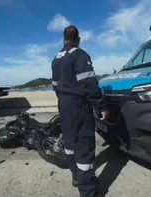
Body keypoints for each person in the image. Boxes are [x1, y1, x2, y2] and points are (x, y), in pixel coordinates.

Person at [51, 25, 108, 197]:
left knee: (70, 144)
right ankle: (88, 192)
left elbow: (55, 85)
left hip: (64, 105)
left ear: (63, 40)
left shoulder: (56, 59)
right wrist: (101, 106)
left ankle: (76, 177)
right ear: (79, 39)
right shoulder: (79, 54)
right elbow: (89, 83)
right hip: (78, 106)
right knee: (84, 146)